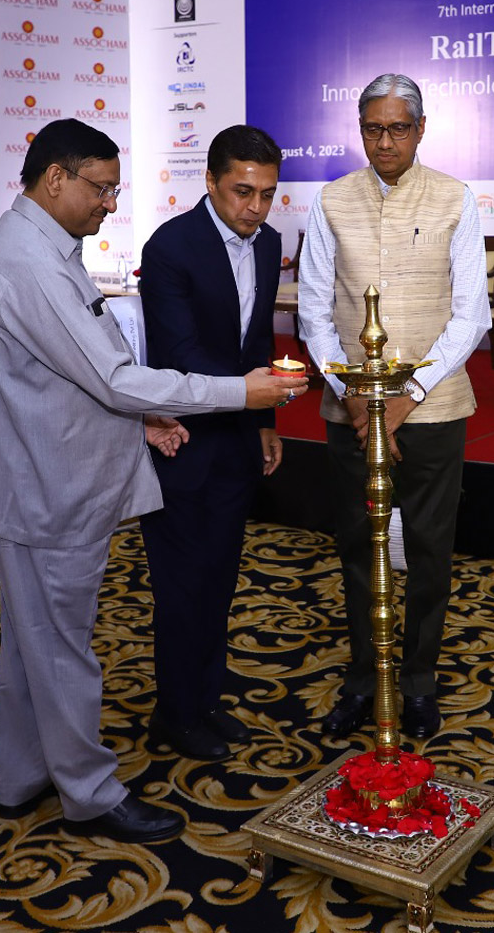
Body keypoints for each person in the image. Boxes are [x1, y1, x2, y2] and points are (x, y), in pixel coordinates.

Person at [0, 118, 305, 844]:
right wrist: (239, 394)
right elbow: (115, 376)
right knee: (62, 650)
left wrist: (145, 419)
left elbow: (75, 372)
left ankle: (23, 775)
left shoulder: (42, 248)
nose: (110, 204)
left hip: (47, 477)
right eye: (101, 188)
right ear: (56, 178)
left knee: (33, 646)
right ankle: (90, 793)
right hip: (49, 487)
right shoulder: (32, 262)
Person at [299, 72, 491, 741]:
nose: (386, 141)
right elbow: (314, 310)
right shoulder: (330, 200)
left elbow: (471, 315)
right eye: (374, 129)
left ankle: (418, 681)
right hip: (350, 412)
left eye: (399, 128)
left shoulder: (455, 199)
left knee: (431, 552)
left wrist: (407, 397)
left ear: (420, 130)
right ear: (360, 131)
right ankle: (362, 678)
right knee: (357, 547)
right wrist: (352, 395)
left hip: (433, 412)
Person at [137, 125, 286, 761]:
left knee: (220, 577)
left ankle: (204, 701)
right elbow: (178, 354)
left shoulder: (269, 242)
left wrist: (264, 421)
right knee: (181, 585)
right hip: (180, 438)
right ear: (210, 181)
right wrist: (248, 396)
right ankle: (173, 713)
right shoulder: (170, 246)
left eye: (267, 194)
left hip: (237, 439)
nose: (255, 207)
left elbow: (256, 341)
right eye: (242, 191)